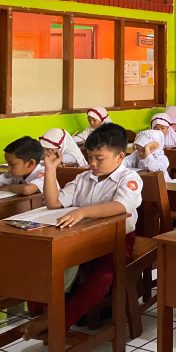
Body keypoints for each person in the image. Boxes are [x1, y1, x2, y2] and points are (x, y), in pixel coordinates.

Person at [22, 123, 142, 340]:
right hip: (80, 241)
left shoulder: (129, 178)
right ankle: (42, 314)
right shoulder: (83, 178)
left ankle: (57, 321)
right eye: (90, 157)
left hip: (116, 242)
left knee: (103, 277)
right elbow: (54, 203)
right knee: (44, 262)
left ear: (120, 157)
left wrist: (84, 211)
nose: (92, 163)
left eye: (99, 158)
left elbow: (122, 205)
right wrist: (50, 169)